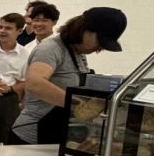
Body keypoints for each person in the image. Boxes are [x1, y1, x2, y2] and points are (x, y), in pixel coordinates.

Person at [9, 8, 128, 146]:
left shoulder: (77, 51)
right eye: (100, 41)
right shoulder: (51, 48)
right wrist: (78, 106)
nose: (99, 48)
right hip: (33, 136)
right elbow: (35, 83)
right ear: (83, 30)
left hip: (59, 133)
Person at [0, 12, 31, 145]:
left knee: (4, 138)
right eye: (1, 27)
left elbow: (27, 81)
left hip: (10, 97)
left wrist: (9, 88)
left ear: (19, 31)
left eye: (8, 28)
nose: (2, 31)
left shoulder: (26, 54)